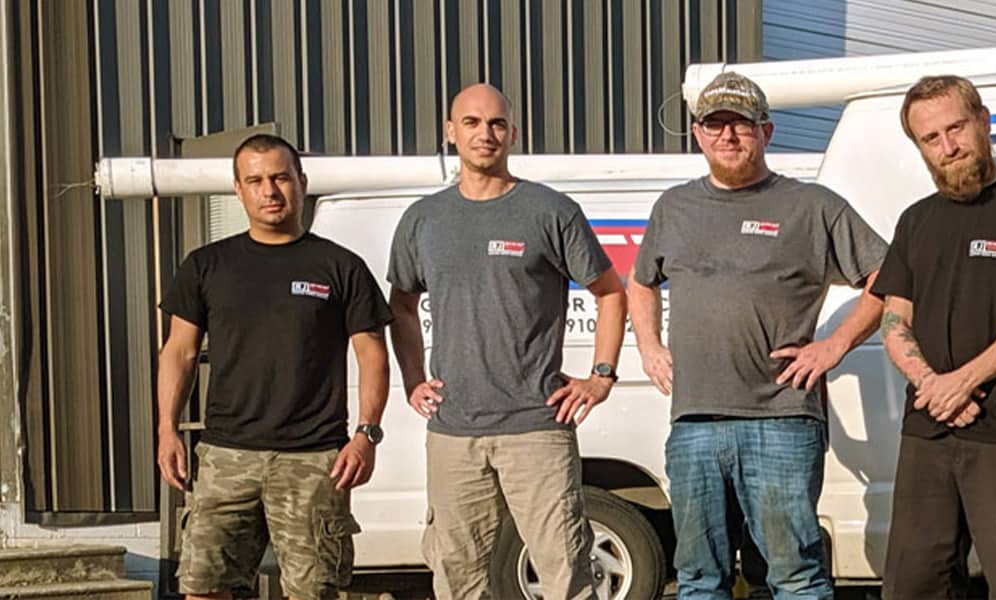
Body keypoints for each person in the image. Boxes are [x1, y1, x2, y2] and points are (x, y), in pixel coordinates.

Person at [627, 71, 888, 599]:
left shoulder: (811, 206)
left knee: (795, 577)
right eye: (714, 123)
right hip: (694, 423)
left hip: (783, 421)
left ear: (766, 132)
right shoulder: (673, 208)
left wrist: (833, 346)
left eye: (741, 124)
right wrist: (649, 346)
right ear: (698, 133)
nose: (728, 135)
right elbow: (639, 283)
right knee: (700, 580)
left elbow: (889, 279)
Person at [387, 83, 628, 600]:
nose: (485, 133)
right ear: (450, 132)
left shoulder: (549, 211)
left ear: (513, 134)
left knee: (564, 574)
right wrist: (412, 379)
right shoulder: (423, 221)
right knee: (457, 576)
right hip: (453, 430)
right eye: (471, 123)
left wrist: (601, 377)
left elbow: (611, 291)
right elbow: (401, 307)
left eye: (496, 123)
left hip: (536, 428)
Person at [156, 133, 393, 600]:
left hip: (314, 459)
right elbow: (178, 352)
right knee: (203, 588)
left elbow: (373, 356)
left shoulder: (340, 266)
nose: (270, 190)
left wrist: (367, 434)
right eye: (256, 180)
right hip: (226, 456)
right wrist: (166, 429)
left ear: (301, 183)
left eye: (281, 177)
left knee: (313, 591)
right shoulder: (206, 265)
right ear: (238, 189)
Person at [872, 75, 996, 599]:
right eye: (931, 138)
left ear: (983, 122)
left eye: (956, 128)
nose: (948, 147)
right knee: (914, 586)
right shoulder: (916, 221)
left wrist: (962, 382)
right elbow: (894, 321)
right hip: (928, 434)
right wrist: (930, 384)